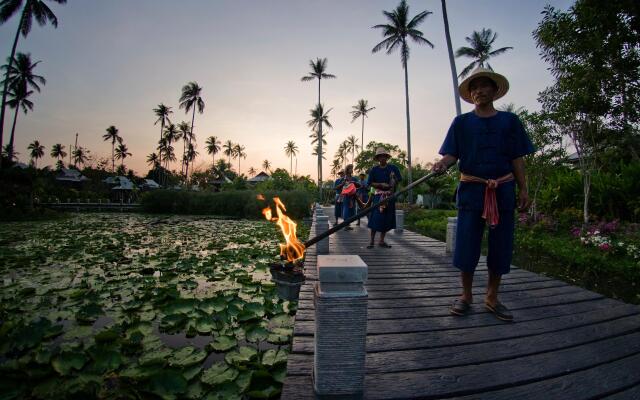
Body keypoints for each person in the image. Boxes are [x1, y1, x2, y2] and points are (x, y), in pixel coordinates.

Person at [432, 67, 535, 322]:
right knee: (467, 243)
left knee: (501, 244)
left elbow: (517, 157)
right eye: (474, 87)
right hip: (471, 190)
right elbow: (452, 154)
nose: (479, 90)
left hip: (503, 188)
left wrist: (524, 189)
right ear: (470, 94)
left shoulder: (509, 121)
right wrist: (442, 164)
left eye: (483, 86)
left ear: (494, 90)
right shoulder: (461, 123)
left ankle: (492, 297)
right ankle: (466, 296)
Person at [366, 147, 401, 249]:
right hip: (378, 196)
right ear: (377, 158)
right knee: (375, 218)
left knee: (386, 218)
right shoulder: (374, 170)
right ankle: (372, 240)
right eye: (380, 156)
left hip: (389, 196)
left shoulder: (393, 168)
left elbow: (398, 180)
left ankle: (381, 240)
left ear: (387, 157)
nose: (382, 158)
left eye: (384, 156)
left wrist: (393, 181)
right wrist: (380, 184)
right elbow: (370, 183)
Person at [340, 164, 360, 230]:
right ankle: (346, 224)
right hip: (346, 196)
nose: (352, 170)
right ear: (347, 170)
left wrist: (354, 182)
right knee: (346, 209)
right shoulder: (344, 178)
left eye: (352, 168)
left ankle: (348, 224)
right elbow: (340, 186)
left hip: (353, 196)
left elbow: (359, 185)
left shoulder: (354, 178)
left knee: (351, 209)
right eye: (350, 168)